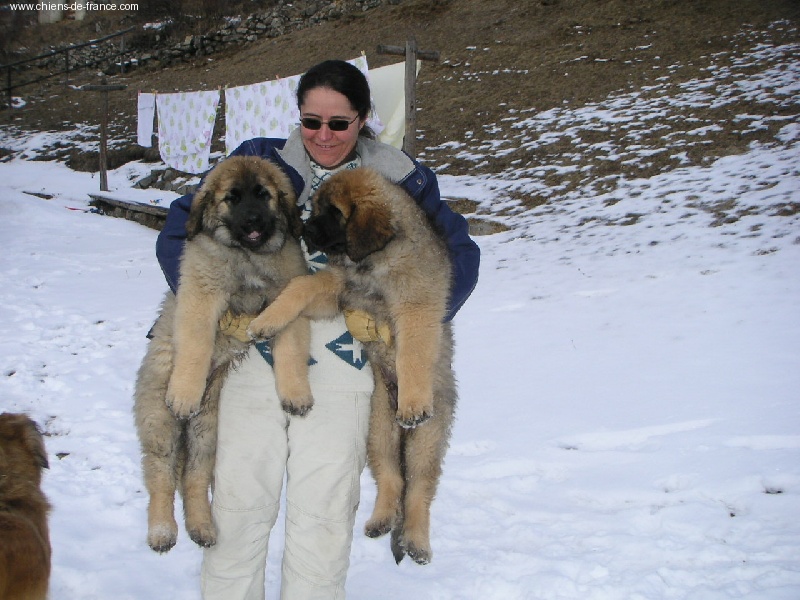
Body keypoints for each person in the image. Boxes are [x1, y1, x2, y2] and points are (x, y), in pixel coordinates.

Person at [156, 59, 480, 599]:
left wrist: (399, 324)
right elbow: (179, 230)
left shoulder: (398, 176)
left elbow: (458, 258)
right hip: (254, 355)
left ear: (363, 119)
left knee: (324, 514)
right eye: (311, 122)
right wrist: (215, 305)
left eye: (339, 123)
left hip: (346, 364)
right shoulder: (257, 161)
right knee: (238, 505)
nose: (323, 135)